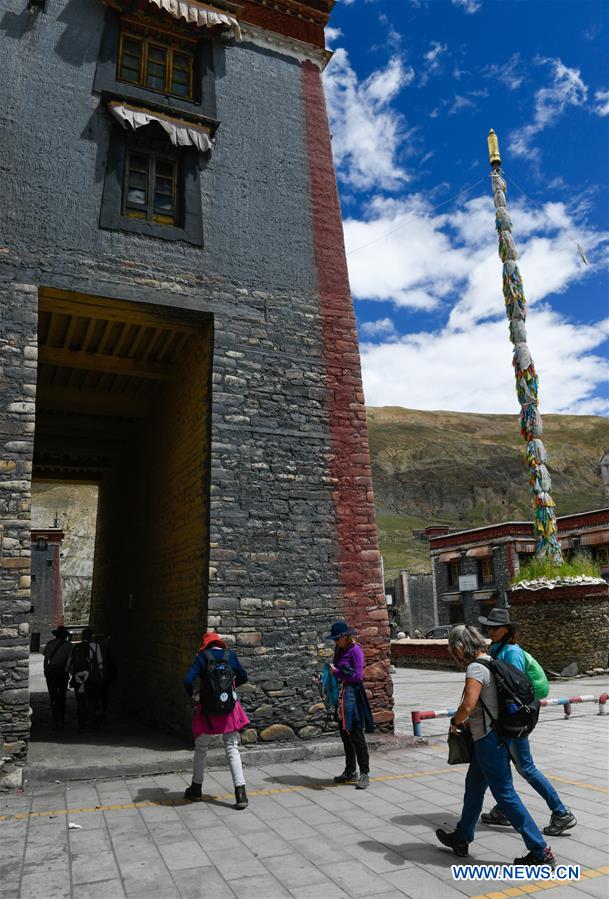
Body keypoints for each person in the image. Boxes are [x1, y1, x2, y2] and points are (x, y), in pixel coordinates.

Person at [435, 624, 556, 868]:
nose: (455, 656)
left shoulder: (475, 668)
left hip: (490, 740)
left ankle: (540, 851)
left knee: (505, 794)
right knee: (474, 787)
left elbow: (468, 705)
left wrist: (455, 722)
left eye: (454, 651)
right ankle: (462, 835)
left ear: (460, 647)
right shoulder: (491, 661)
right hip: (490, 738)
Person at [478, 608, 576, 837]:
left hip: (515, 720)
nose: (490, 630)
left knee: (526, 767)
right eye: (489, 627)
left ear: (507, 630)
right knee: (506, 763)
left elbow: (515, 688)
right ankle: (503, 809)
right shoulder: (499, 648)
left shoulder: (511, 652)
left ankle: (561, 812)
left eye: (495, 627)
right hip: (506, 719)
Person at [183, 631, 250, 810]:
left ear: (205, 645)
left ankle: (196, 789)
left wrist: (194, 695)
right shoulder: (231, 655)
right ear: (219, 644)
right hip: (229, 709)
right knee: (232, 748)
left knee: (201, 748)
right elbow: (244, 676)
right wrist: (228, 688)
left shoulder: (202, 657)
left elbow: (187, 679)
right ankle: (240, 793)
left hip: (207, 710)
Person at [326, 621, 374, 790]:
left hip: (353, 695)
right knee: (345, 735)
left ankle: (364, 773)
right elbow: (336, 671)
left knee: (356, 735)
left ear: (345, 637)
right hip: (341, 696)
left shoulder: (356, 651)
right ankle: (350, 770)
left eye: (337, 639)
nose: (335, 642)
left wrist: (337, 672)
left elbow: (358, 676)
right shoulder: (339, 650)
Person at [68, 627, 104, 731]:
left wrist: (74, 674)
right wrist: (100, 675)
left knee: (80, 703)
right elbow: (100, 663)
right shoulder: (96, 646)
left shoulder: (76, 647)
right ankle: (92, 723)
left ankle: (81, 725)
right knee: (92, 701)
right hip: (92, 678)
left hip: (79, 678)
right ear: (91, 636)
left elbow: (69, 665)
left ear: (82, 636)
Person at [42, 626, 72, 730]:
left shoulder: (50, 644)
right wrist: (68, 671)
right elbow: (70, 660)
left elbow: (46, 660)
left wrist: (46, 670)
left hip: (52, 671)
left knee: (53, 695)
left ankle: (56, 719)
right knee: (62, 695)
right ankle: (61, 720)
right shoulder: (69, 645)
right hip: (63, 672)